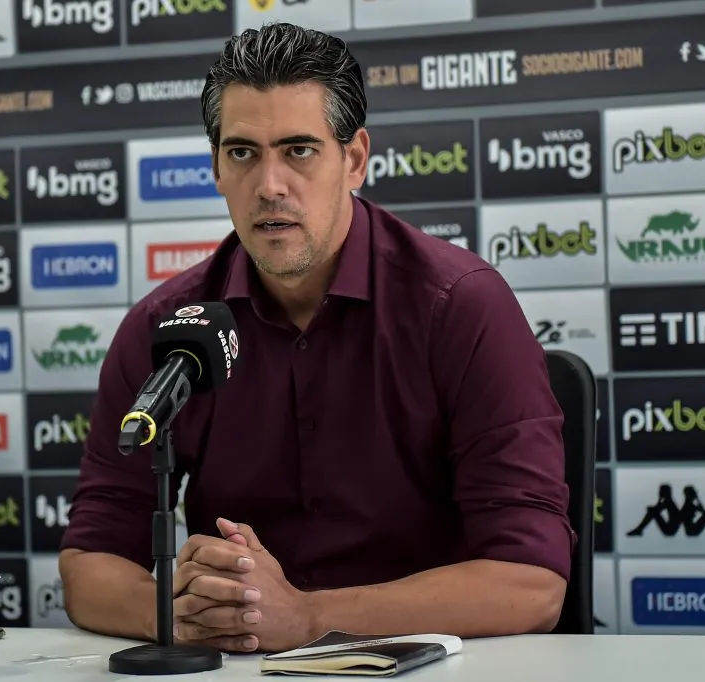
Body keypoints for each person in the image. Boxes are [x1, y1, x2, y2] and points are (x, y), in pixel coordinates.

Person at [59, 23, 574, 654]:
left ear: (354, 158)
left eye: (299, 150)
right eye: (243, 152)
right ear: (217, 167)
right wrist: (177, 614)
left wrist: (306, 618)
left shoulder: (460, 306)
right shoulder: (168, 326)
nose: (270, 184)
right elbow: (90, 564)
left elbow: (531, 583)